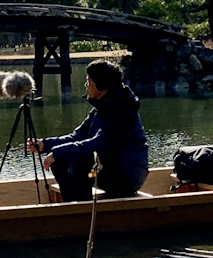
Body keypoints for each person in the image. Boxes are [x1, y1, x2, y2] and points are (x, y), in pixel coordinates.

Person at [29, 58, 149, 201]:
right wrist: (45, 144)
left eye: (89, 81)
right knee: (60, 158)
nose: (86, 85)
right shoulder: (101, 108)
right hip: (108, 168)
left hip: (128, 176)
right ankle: (72, 206)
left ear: (101, 86)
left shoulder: (122, 112)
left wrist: (58, 152)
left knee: (80, 159)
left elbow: (99, 144)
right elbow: (77, 136)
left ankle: (83, 208)